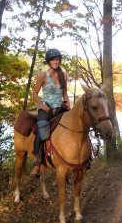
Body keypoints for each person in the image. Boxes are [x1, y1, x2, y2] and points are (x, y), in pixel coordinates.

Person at [30, 48, 70, 178]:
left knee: (71, 127)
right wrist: (42, 105)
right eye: (53, 59)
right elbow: (34, 94)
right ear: (49, 61)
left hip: (59, 108)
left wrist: (68, 104)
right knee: (42, 129)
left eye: (57, 59)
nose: (55, 61)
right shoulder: (43, 75)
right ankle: (36, 163)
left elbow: (64, 93)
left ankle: (70, 158)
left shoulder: (64, 74)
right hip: (46, 108)